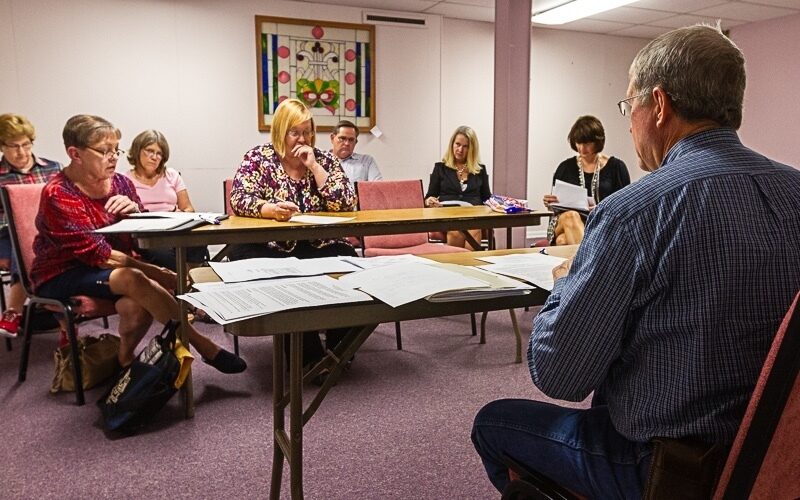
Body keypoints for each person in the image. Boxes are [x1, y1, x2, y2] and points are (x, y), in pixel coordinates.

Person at [472, 24, 800, 498]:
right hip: (772, 457)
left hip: (673, 471)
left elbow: (559, 375)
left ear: (660, 105)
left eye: (630, 106)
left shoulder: (634, 211)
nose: (629, 122)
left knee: (493, 423)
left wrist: (569, 281)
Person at [30, 114, 246, 373]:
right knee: (134, 278)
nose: (113, 157)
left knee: (135, 305)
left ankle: (124, 359)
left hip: (111, 272)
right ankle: (204, 346)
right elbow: (99, 255)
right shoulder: (60, 193)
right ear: (75, 153)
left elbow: (142, 233)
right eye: (104, 151)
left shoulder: (121, 183)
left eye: (116, 149)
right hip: (63, 272)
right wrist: (157, 272)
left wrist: (135, 211)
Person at [229, 98, 356, 382]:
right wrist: (269, 209)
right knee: (286, 278)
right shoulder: (258, 158)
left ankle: (340, 353)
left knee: (350, 264)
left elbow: (346, 202)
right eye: (294, 132)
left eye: (307, 131)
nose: (302, 139)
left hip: (316, 242)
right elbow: (239, 198)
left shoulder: (323, 159)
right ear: (280, 132)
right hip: (269, 244)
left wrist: (314, 168)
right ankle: (308, 359)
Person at [0, 114, 62, 338]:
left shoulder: (53, 169)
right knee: (24, 241)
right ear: (2, 146)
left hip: (48, 232)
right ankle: (67, 326)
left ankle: (13, 313)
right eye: (14, 146)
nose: (21, 152)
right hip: (6, 235)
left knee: (38, 243)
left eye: (26, 144)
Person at [122, 129, 209, 271]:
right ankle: (182, 282)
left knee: (199, 240)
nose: (154, 157)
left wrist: (180, 215)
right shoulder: (124, 179)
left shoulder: (172, 175)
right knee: (163, 253)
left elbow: (189, 208)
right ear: (137, 151)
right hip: (147, 233)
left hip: (175, 227)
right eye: (149, 151)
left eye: (159, 153)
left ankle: (189, 280)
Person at [542, 115, 630, 245]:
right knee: (571, 216)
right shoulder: (565, 167)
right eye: (579, 143)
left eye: (587, 144)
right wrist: (549, 202)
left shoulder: (616, 167)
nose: (582, 149)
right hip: (564, 220)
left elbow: (626, 206)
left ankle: (579, 261)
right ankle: (590, 262)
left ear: (598, 142)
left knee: (563, 241)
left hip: (602, 223)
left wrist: (600, 209)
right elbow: (556, 207)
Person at [424, 126, 491, 250]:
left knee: (474, 230)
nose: (460, 149)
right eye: (457, 144)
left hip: (473, 216)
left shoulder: (480, 170)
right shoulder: (440, 168)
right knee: (455, 231)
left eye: (465, 146)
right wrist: (430, 201)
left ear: (472, 149)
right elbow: (429, 196)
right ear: (452, 144)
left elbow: (487, 198)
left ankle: (470, 266)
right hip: (448, 216)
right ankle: (458, 266)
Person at [329, 119, 382, 187]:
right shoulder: (320, 161)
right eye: (342, 138)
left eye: (351, 140)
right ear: (332, 138)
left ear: (355, 142)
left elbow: (378, 188)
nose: (347, 143)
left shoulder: (366, 161)